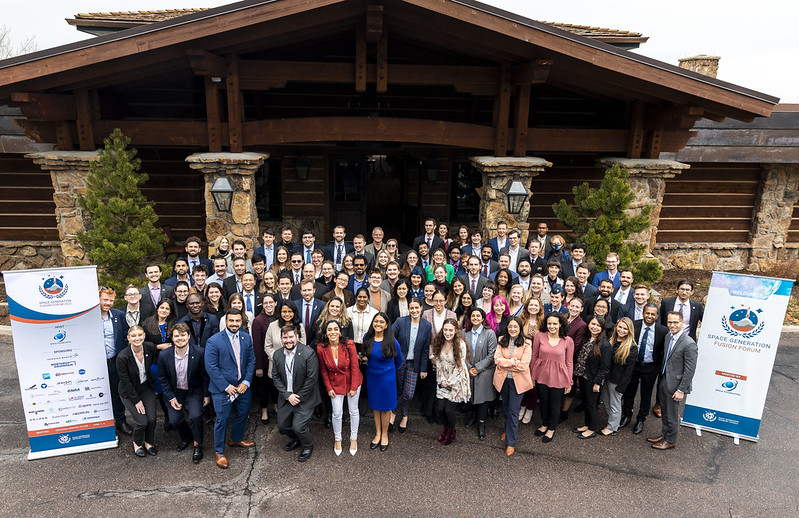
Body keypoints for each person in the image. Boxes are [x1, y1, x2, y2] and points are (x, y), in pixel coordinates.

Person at [205, 308, 256, 469]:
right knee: (222, 420)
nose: (234, 324)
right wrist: (226, 387)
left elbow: (251, 362)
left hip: (242, 387)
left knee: (243, 413)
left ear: (242, 322)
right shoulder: (214, 341)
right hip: (223, 389)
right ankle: (219, 451)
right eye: (231, 321)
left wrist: (246, 382)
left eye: (237, 321)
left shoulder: (246, 338)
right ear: (226, 321)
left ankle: (235, 439)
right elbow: (211, 367)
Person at [157, 323, 210, 463]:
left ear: (188, 336)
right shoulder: (164, 355)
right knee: (174, 420)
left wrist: (206, 395)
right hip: (175, 392)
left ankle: (198, 444)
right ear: (172, 338)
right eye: (176, 336)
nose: (180, 338)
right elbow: (162, 378)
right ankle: (186, 436)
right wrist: (170, 397)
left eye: (182, 335)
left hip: (194, 391)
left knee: (196, 415)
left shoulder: (199, 353)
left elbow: (205, 376)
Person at [648, 311, 698, 450]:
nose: (672, 325)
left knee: (672, 415)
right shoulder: (668, 337)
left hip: (676, 385)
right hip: (665, 379)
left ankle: (670, 440)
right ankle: (664, 434)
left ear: (683, 323)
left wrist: (681, 390)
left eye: (676, 322)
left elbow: (690, 370)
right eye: (670, 322)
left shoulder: (689, 344)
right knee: (665, 410)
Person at [620, 304, 668, 435]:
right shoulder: (634, 325)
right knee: (629, 392)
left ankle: (641, 419)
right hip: (633, 365)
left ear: (657, 316)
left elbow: (663, 351)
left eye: (653, 314)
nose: (649, 316)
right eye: (647, 313)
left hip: (650, 367)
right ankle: (627, 416)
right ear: (643, 313)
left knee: (646, 395)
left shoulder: (663, 330)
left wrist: (658, 368)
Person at [317, 320, 362, 456]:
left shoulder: (349, 345)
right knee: (337, 413)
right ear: (325, 333)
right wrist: (328, 387)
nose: (333, 332)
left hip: (352, 382)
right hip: (335, 384)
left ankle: (353, 438)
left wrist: (354, 387)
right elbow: (323, 370)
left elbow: (355, 367)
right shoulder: (321, 348)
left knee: (353, 411)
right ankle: (338, 439)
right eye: (329, 329)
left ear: (340, 331)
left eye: (335, 329)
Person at [361, 312, 403, 451]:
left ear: (386, 325)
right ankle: (377, 433)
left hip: (387, 379)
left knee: (385, 408)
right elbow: (366, 355)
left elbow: (399, 361)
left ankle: (385, 435)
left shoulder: (392, 341)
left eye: (381, 322)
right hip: (372, 376)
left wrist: (388, 371)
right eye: (376, 321)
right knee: (375, 406)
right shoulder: (367, 337)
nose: (378, 324)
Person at [530, 312, 574, 443]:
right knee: (543, 401)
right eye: (549, 323)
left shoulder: (568, 341)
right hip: (541, 374)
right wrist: (532, 375)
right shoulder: (539, 336)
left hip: (559, 377)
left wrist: (569, 381)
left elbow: (569, 362)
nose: (552, 326)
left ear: (560, 324)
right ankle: (544, 424)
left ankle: (552, 428)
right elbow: (534, 356)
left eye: (555, 323)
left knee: (555, 404)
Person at [493, 316, 533, 456]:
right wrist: (513, 362)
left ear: (520, 328)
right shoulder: (501, 340)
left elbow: (523, 366)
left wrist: (507, 362)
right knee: (505, 408)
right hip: (503, 380)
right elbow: (497, 360)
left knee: (514, 411)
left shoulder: (527, 343)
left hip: (518, 382)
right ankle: (507, 429)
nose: (512, 329)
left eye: (515, 326)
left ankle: (511, 442)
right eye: (510, 326)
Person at [116, 325, 158, 457]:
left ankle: (149, 442)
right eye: (133, 336)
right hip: (129, 392)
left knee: (152, 419)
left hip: (145, 387)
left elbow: (157, 353)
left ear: (144, 335)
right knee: (142, 421)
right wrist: (137, 401)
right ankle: (137, 442)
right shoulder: (122, 357)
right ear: (128, 338)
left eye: (140, 335)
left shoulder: (149, 347)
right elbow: (126, 381)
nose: (137, 338)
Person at [391, 298, 432, 433]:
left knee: (409, 393)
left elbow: (426, 349)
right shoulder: (400, 322)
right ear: (408, 309)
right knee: (400, 390)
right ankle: (405, 416)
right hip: (399, 362)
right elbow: (390, 339)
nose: (414, 310)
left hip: (415, 364)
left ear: (421, 308)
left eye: (417, 308)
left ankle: (393, 411)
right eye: (411, 308)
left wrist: (424, 368)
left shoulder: (426, 325)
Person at [430, 319, 471, 445]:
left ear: (455, 331)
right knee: (440, 408)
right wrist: (442, 380)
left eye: (450, 330)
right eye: (445, 330)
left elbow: (460, 367)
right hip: (443, 379)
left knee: (449, 410)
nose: (447, 333)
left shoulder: (460, 345)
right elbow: (439, 363)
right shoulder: (439, 342)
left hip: (456, 380)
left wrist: (449, 383)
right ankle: (445, 428)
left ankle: (451, 431)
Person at [99, 286, 132, 436]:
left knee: (116, 393)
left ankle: (120, 421)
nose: (108, 303)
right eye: (105, 299)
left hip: (113, 362)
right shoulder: (89, 318)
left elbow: (125, 337)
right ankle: (101, 423)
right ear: (98, 299)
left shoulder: (118, 315)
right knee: (98, 393)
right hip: (95, 364)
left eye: (111, 300)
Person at [572, 316, 612, 439]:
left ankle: (592, 428)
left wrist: (597, 383)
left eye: (598, 325)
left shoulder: (605, 345)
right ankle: (587, 424)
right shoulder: (586, 338)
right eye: (592, 324)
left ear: (602, 328)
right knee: (586, 402)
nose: (594, 327)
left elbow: (605, 368)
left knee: (591, 404)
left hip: (592, 379)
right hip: (582, 376)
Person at [599, 317, 638, 437]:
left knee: (614, 404)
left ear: (629, 331)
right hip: (606, 377)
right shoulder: (611, 338)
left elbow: (629, 371)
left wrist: (621, 387)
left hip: (617, 381)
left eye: (625, 328)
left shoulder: (632, 347)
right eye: (620, 327)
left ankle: (612, 427)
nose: (621, 330)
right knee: (605, 400)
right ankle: (613, 421)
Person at [464, 308, 497, 440]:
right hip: (468, 369)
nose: (476, 318)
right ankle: (473, 416)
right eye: (473, 315)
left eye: (478, 316)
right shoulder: (464, 333)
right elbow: (461, 353)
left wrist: (477, 368)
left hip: (484, 370)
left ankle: (481, 423)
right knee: (470, 394)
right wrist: (469, 368)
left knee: (482, 397)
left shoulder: (489, 334)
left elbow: (491, 355)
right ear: (470, 318)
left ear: (483, 319)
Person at [251, 293, 278, 424]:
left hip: (278, 360)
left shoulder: (280, 317)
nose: (268, 305)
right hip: (264, 360)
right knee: (264, 387)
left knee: (276, 386)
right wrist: (259, 366)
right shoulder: (258, 320)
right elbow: (256, 345)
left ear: (275, 303)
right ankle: (264, 410)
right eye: (265, 303)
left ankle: (275, 404)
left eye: (271, 302)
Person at [518, 295, 543, 424]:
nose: (533, 307)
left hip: (538, 358)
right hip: (523, 357)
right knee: (522, 383)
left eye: (536, 305)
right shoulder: (521, 320)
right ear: (527, 307)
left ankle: (530, 409)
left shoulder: (543, 323)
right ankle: (522, 406)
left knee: (533, 385)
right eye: (531, 305)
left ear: (539, 308)